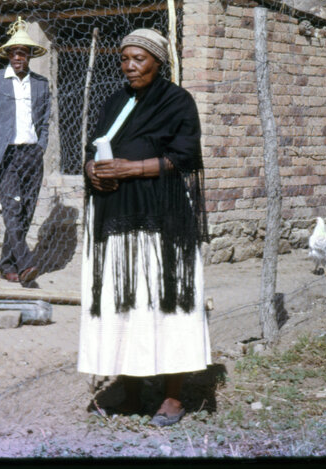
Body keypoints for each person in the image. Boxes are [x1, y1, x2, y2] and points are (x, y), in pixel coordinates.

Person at [78, 28, 211, 427]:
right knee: (126, 301)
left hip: (161, 216)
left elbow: (185, 157)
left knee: (167, 301)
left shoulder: (177, 102)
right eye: (124, 59)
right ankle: (131, 389)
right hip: (117, 215)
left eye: (139, 59)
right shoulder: (116, 100)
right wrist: (92, 170)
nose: (130, 66)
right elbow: (93, 147)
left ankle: (172, 395)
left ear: (158, 61)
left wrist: (130, 168)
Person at [0, 17, 51, 286]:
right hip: (5, 154)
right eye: (14, 52)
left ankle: (6, 263)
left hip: (32, 153)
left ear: (30, 55)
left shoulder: (41, 83)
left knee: (27, 209)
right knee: (11, 208)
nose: (18, 57)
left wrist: (41, 146)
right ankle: (25, 262)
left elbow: (45, 121)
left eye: (23, 52)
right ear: (7, 54)